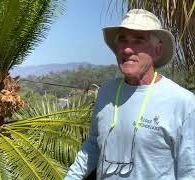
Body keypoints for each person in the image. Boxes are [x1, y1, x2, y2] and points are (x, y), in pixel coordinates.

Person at [65, 9, 195, 180]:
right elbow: (94, 145)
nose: (127, 49)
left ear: (158, 50)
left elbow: (190, 170)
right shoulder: (106, 92)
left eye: (139, 40)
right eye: (122, 39)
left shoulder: (183, 102)